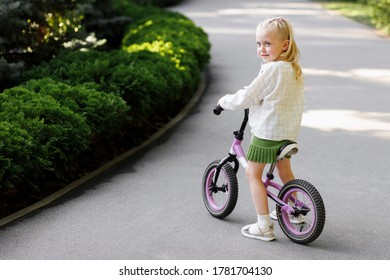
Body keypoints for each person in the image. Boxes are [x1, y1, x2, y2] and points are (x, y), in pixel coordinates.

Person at [217, 17, 304, 241]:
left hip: (268, 134)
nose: (261, 49)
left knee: (252, 174)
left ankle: (263, 225)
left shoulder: (273, 69)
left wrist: (224, 101)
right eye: (258, 44)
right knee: (285, 173)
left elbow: (248, 96)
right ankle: (294, 211)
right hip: (287, 134)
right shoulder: (293, 68)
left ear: (284, 45)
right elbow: (271, 94)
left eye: (267, 43)